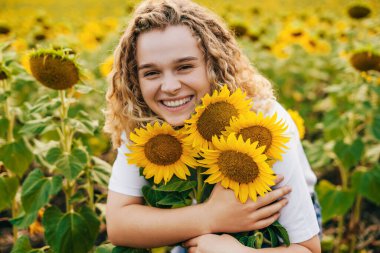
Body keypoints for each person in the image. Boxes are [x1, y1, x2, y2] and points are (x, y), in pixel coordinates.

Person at [104, 0, 321, 252]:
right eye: (151, 73)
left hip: (273, 231)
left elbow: (307, 248)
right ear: (135, 78)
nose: (170, 86)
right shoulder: (143, 121)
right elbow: (119, 224)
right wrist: (210, 217)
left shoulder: (261, 122)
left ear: (214, 64)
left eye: (184, 67)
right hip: (198, 226)